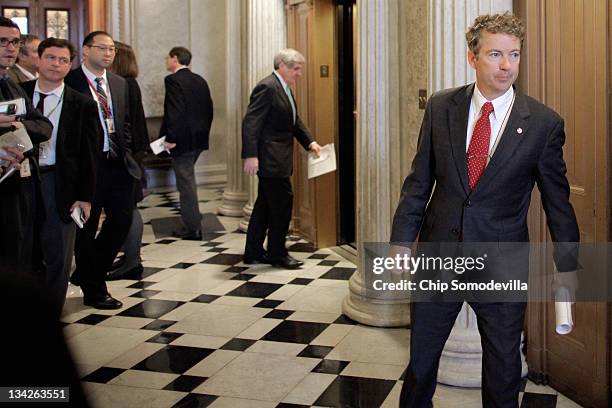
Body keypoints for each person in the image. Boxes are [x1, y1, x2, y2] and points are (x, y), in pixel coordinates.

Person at [390, 13, 579, 408]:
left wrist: (569, 264)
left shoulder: (544, 124)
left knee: (503, 367)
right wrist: (402, 242)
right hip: (439, 256)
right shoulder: (442, 107)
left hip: (501, 262)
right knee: (422, 362)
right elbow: (419, 181)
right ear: (472, 58)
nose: (507, 65)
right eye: (495, 54)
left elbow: (557, 201)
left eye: (514, 54)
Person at [20, 37, 99, 319]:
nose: (57, 64)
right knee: (23, 248)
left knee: (58, 253)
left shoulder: (82, 104)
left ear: (70, 65)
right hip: (20, 182)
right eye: (51, 58)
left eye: (64, 60)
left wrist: (85, 197)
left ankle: (49, 317)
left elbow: (90, 155)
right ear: (38, 60)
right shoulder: (18, 93)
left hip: (60, 183)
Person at [65, 31, 140, 310]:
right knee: (85, 228)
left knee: (121, 220)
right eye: (102, 48)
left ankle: (88, 273)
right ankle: (95, 290)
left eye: (111, 49)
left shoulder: (120, 83)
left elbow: (126, 121)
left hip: (117, 164)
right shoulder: (71, 82)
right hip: (88, 167)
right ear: (85, 50)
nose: (108, 54)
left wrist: (130, 152)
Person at [241, 48, 321, 269]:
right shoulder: (267, 87)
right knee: (282, 206)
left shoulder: (283, 88)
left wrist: (310, 142)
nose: (299, 74)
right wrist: (250, 155)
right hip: (270, 159)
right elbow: (251, 123)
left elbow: (294, 120)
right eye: (296, 69)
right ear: (282, 67)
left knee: (264, 206)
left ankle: (253, 251)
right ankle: (277, 253)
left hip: (277, 158)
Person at [0, 17, 52, 276]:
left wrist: (19, 128)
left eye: (15, 42)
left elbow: (43, 126)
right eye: (2, 42)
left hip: (20, 185)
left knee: (19, 257)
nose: (10, 48)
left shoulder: (11, 85)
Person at [160, 46, 213, 240]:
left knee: (186, 183)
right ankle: (194, 218)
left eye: (168, 58)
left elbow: (175, 111)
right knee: (188, 179)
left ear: (175, 59)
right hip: (199, 139)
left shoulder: (172, 80)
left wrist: (171, 139)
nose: (166, 61)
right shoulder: (200, 80)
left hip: (181, 140)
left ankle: (192, 227)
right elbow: (209, 109)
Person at [106, 40, 148, 279]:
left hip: (129, 154)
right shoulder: (128, 83)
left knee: (129, 207)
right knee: (127, 206)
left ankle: (132, 261)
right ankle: (128, 257)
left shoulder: (124, 84)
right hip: (133, 152)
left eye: (110, 51)